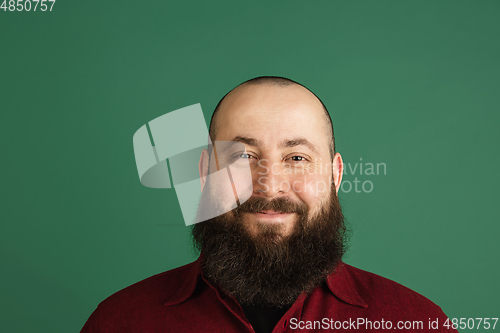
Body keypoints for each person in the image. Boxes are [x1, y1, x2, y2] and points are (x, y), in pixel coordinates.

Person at [80, 76, 457, 332]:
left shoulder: (417, 322)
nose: (269, 185)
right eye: (242, 157)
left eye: (297, 158)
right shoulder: (120, 322)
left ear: (335, 175)